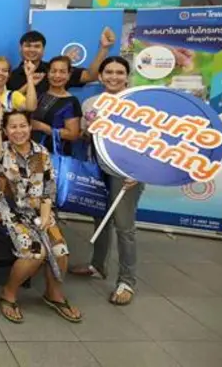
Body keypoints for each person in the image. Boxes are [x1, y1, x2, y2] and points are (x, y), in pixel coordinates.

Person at [0, 109, 82, 324]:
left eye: (23, 126)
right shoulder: (2, 151)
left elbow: (47, 189)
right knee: (35, 252)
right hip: (8, 211)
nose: (18, 131)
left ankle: (53, 293)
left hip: (39, 211)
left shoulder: (41, 153)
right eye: (13, 127)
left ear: (30, 127)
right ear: (5, 130)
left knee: (60, 249)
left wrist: (46, 217)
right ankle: (8, 293)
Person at [71, 56, 144, 306]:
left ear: (127, 76)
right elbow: (85, 135)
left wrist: (138, 172)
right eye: (109, 72)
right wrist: (87, 131)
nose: (114, 77)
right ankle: (97, 265)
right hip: (98, 168)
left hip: (126, 173)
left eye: (119, 72)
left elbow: (150, 144)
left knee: (124, 227)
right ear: (101, 77)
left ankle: (127, 281)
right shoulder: (91, 103)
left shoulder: (138, 105)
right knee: (100, 218)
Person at [7, 28, 116, 95]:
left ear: (43, 50)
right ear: (20, 48)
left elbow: (90, 76)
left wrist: (104, 48)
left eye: (37, 46)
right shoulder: (10, 76)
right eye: (28, 46)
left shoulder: (55, 70)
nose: (32, 50)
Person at [30, 56, 82, 155]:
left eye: (62, 72)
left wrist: (43, 127)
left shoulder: (71, 101)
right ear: (48, 73)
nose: (57, 75)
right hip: (31, 150)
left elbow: (73, 135)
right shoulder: (39, 94)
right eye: (53, 71)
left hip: (55, 154)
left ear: (69, 75)